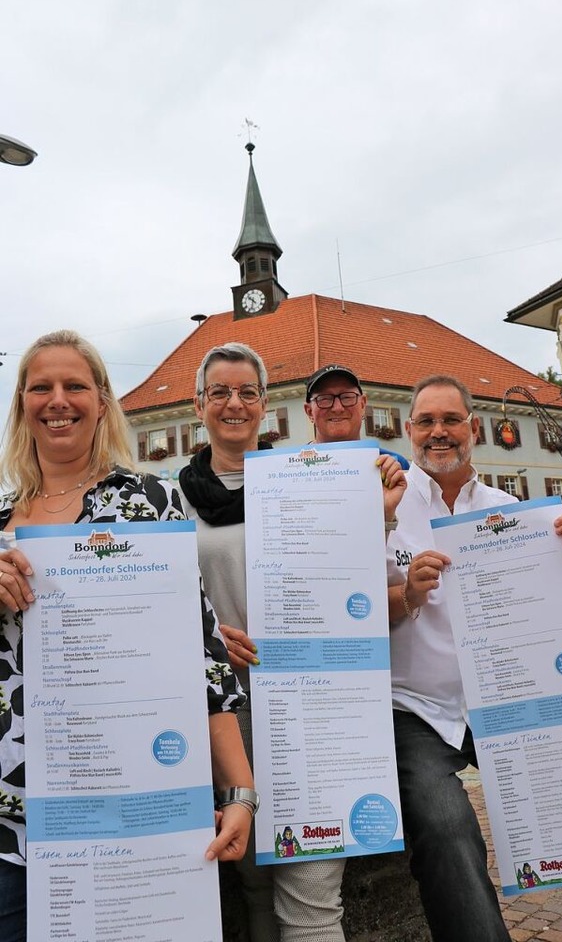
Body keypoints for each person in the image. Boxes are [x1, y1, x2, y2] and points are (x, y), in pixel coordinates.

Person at [0, 330, 255, 942]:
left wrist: (240, 790)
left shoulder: (151, 502)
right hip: (12, 821)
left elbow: (203, 656)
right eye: (42, 387)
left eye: (74, 386)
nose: (58, 400)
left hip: (136, 804)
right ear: (22, 403)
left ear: (102, 399)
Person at [385, 373, 562, 942]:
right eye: (426, 421)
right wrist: (409, 592)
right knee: (446, 823)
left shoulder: (511, 510)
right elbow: (356, 616)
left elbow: (545, 607)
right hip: (417, 710)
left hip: (504, 698)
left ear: (472, 429)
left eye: (451, 420)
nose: (438, 432)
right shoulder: (388, 510)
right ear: (409, 432)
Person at [179, 344, 406, 942]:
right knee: (251, 881)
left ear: (265, 406)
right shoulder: (168, 501)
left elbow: (349, 582)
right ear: (199, 404)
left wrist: (377, 516)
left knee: (310, 894)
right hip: (229, 718)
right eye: (221, 392)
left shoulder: (304, 482)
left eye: (247, 392)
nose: (234, 404)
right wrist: (199, 640)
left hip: (314, 707)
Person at [304, 363, 409, 470]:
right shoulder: (291, 468)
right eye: (325, 399)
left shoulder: (396, 466)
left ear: (363, 405)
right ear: (309, 411)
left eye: (347, 397)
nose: (337, 408)